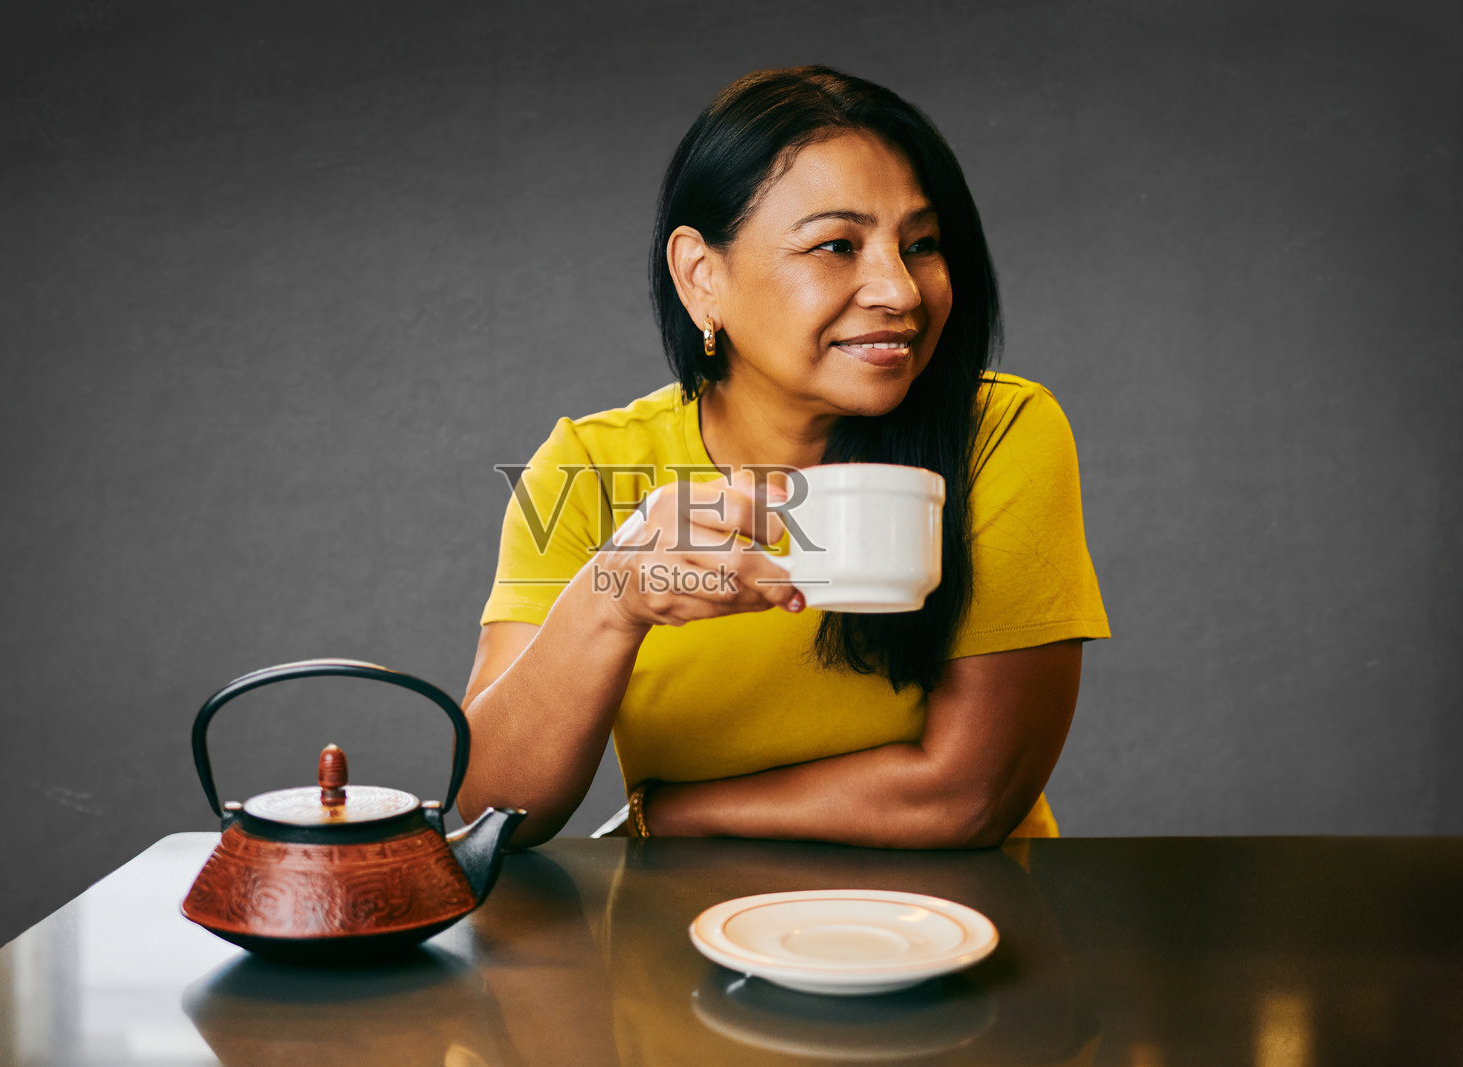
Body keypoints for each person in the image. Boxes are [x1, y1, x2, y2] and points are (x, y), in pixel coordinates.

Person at [457, 66, 1109, 849]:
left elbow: (969, 795)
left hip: (957, 928)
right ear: (703, 277)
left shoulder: (1001, 431)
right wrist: (609, 600)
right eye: (837, 245)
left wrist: (668, 814)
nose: (900, 290)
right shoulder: (592, 465)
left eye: (922, 243)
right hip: (689, 946)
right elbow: (495, 806)